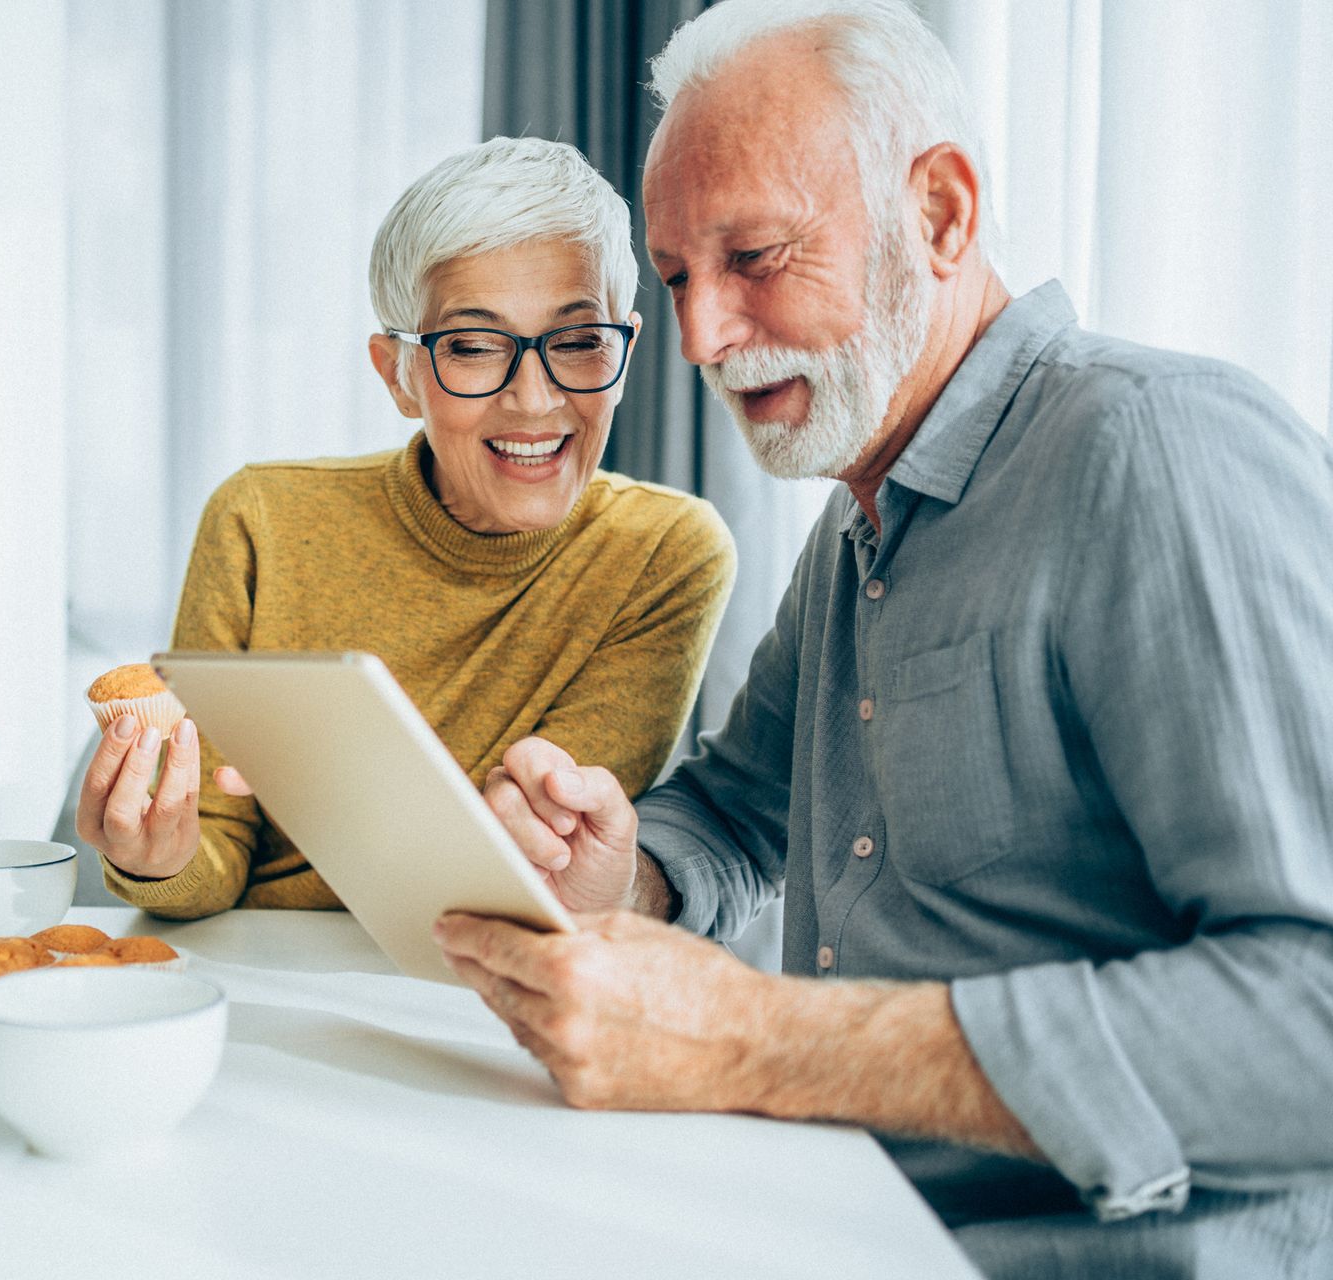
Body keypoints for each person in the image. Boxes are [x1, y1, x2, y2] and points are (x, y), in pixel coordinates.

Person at [433, 2, 1333, 1276]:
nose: (701, 339)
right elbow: (742, 812)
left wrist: (764, 1041)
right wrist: (625, 876)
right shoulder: (862, 520)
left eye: (756, 254)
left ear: (943, 214)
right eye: (681, 278)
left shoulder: (1159, 450)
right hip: (832, 1221)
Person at [77, 137, 736, 918]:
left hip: (475, 981)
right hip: (266, 974)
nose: (534, 400)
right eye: (473, 346)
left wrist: (339, 777)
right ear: (398, 374)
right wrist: (162, 859)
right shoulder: (259, 521)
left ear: (621, 353)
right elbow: (214, 855)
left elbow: (528, 859)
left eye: (579, 342)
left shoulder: (664, 555)